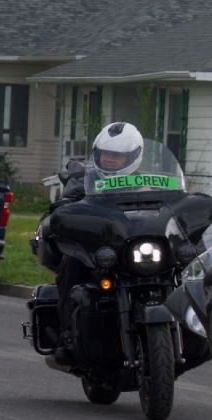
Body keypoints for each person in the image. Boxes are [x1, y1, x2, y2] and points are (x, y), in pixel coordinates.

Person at [37, 122, 145, 365]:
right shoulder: (84, 180)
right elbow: (66, 206)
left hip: (132, 250)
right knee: (71, 265)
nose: (109, 159)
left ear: (133, 157)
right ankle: (67, 336)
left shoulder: (146, 183)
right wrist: (64, 211)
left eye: (117, 155)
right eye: (105, 154)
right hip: (96, 250)